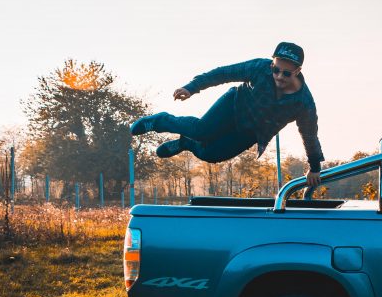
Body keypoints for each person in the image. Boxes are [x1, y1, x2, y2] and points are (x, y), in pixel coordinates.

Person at [130, 42, 324, 188]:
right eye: (276, 70)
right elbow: (224, 73)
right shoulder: (259, 68)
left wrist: (314, 167)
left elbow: (309, 135)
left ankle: (184, 143)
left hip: (251, 132)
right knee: (202, 131)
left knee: (212, 154)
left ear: (298, 71)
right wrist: (192, 87)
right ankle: (159, 121)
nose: (279, 77)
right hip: (233, 106)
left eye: (287, 74)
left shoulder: (304, 103)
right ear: (272, 64)